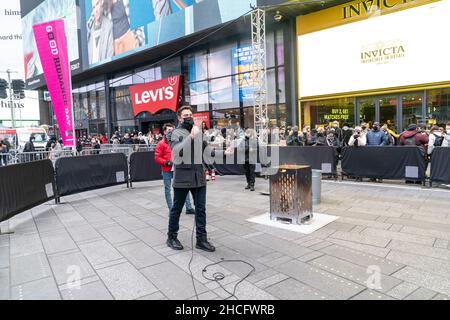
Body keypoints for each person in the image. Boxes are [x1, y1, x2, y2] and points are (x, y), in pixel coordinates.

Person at [166, 105, 215, 252]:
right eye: (186, 115)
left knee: (201, 209)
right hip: (182, 177)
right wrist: (191, 137)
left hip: (198, 176)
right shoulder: (173, 133)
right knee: (177, 209)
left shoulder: (198, 131)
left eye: (191, 114)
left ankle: (201, 239)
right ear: (179, 118)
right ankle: (171, 237)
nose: (189, 117)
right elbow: (177, 153)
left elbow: (207, 150)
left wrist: (225, 152)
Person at [155, 123, 195, 215]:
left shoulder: (177, 141)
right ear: (164, 132)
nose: (171, 132)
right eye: (169, 130)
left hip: (178, 168)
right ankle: (171, 209)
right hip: (167, 170)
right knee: (168, 189)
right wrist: (166, 162)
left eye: (172, 130)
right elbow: (157, 157)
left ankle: (188, 208)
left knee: (184, 187)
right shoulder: (161, 144)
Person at [87, 0, 114, 65]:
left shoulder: (109, 25)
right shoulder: (88, 26)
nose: (96, 10)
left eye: (97, 4)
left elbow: (110, 54)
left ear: (101, 3)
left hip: (103, 70)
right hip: (89, 72)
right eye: (93, 7)